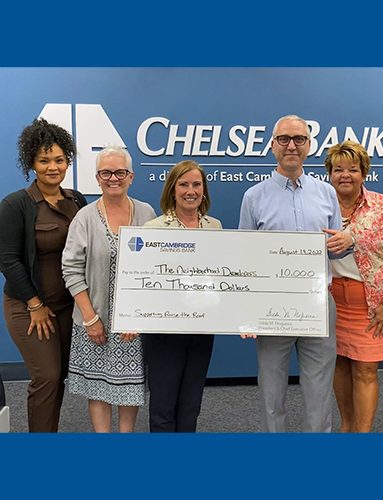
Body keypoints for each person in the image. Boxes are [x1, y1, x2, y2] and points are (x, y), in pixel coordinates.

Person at [238, 114, 345, 433]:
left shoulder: (327, 194)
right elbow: (245, 256)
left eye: (299, 139)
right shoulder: (253, 197)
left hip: (318, 304)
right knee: (271, 390)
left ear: (309, 146)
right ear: (272, 145)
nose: (291, 146)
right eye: (284, 139)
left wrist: (346, 242)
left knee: (319, 391)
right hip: (272, 307)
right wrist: (247, 311)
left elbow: (337, 245)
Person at [0, 118, 86, 432]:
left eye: (59, 160)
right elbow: (8, 260)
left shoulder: (76, 200)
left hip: (66, 307)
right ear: (32, 164)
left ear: (68, 162)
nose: (53, 167)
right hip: (28, 307)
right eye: (44, 160)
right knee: (46, 375)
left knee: (58, 375)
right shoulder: (15, 204)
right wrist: (35, 305)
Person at [62, 145, 156, 433]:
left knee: (130, 387)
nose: (113, 178)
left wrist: (138, 317)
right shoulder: (85, 218)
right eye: (106, 172)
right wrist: (91, 320)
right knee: (99, 389)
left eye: (120, 172)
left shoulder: (147, 212)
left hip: (132, 325)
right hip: (95, 322)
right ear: (97, 177)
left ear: (131, 176)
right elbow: (71, 269)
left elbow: (155, 268)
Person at [324, 141, 383, 432]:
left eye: (353, 169)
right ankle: (347, 427)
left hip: (374, 302)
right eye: (338, 169)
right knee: (339, 365)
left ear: (364, 173)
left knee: (364, 369)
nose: (345, 175)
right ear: (329, 173)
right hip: (331, 300)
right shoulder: (320, 206)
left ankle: (362, 435)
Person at [143, 160, 221, 432]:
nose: (191, 190)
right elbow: (143, 281)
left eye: (196, 184)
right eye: (184, 184)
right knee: (164, 405)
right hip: (164, 330)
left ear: (204, 190)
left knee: (191, 403)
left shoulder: (215, 227)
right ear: (172, 190)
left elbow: (221, 277)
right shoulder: (153, 229)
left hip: (201, 327)